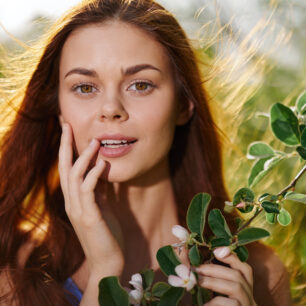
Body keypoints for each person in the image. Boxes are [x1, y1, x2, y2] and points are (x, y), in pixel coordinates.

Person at [0, 0, 292, 305]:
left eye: (140, 85)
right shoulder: (14, 278)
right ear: (59, 110)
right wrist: (105, 271)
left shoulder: (258, 275)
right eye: (85, 87)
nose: (111, 108)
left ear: (183, 104)